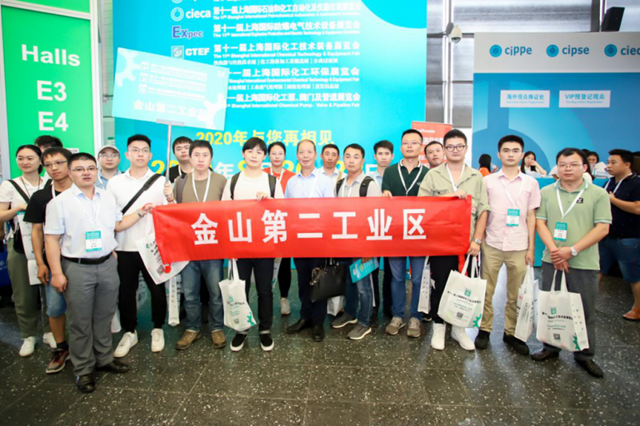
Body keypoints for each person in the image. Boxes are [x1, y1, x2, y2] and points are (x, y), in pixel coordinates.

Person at [45, 152, 151, 393]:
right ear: (70, 173)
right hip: (77, 267)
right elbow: (51, 239)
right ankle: (83, 369)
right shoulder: (59, 203)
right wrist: (57, 273)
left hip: (106, 265)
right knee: (80, 321)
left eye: (90, 168)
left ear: (96, 171)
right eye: (79, 169)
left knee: (104, 316)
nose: (86, 173)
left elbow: (118, 225)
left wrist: (141, 212)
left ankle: (104, 359)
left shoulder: (107, 197)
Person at [533, 148, 611, 378]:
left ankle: (584, 355)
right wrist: (555, 252)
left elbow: (602, 228)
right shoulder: (546, 192)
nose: (567, 169)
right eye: (563, 164)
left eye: (573, 164)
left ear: (584, 167)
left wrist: (572, 250)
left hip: (584, 262)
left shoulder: (598, 194)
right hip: (552, 260)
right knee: (551, 306)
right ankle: (550, 346)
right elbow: (540, 223)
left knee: (584, 310)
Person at [418, 129, 490, 351]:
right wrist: (447, 196)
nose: (455, 150)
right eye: (450, 147)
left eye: (459, 146)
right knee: (440, 285)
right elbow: (422, 205)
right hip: (440, 243)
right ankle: (439, 326)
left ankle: (459, 329)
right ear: (444, 150)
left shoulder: (476, 176)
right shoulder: (433, 175)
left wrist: (477, 240)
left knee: (463, 287)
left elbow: (484, 210)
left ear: (466, 148)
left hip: (467, 244)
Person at [475, 136, 540, 355]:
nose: (510, 154)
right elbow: (483, 212)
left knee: (515, 293)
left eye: (515, 150)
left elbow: (531, 216)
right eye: (506, 150)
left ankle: (511, 332)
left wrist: (531, 248)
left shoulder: (531, 183)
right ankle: (484, 328)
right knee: (487, 290)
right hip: (492, 243)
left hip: (519, 245)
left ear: (522, 154)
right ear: (499, 154)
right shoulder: (488, 181)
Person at [107, 134, 168, 357]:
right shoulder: (115, 183)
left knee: (157, 289)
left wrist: (170, 198)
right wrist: (110, 246)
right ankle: (129, 331)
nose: (140, 154)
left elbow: (169, 214)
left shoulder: (161, 181)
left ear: (150, 155)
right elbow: (109, 217)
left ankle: (158, 328)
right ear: (127, 154)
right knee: (126, 291)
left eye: (144, 150)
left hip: (152, 247)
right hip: (124, 246)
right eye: (135, 150)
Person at [164, 140, 228, 350]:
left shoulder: (220, 180)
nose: (200, 159)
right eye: (196, 155)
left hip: (213, 246)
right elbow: (175, 213)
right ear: (189, 158)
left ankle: (216, 328)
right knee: (190, 292)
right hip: (188, 247)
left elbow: (228, 211)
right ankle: (192, 328)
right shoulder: (180, 182)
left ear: (211, 158)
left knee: (215, 292)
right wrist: (169, 198)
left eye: (205, 155)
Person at [222, 137, 284, 352]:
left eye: (259, 152)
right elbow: (224, 213)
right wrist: (229, 246)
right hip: (240, 247)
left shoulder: (272, 182)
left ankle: (265, 329)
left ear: (264, 156)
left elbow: (282, 211)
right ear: (243, 154)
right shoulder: (233, 181)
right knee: (241, 289)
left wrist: (269, 201)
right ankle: (242, 329)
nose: (254, 155)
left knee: (265, 290)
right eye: (250, 151)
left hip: (264, 247)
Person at [23, 147, 74, 373]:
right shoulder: (41, 197)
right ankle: (61, 348)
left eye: (59, 163)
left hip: (83, 259)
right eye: (49, 165)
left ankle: (87, 347)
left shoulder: (85, 191)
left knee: (85, 306)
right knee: (54, 306)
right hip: (53, 260)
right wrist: (40, 262)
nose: (54, 168)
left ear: (69, 164)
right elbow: (36, 231)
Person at [0, 145, 52, 357]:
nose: (25, 162)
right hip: (20, 244)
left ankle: (50, 331)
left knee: (50, 291)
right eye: (20, 158)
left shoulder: (49, 183)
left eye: (30, 158)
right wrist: (18, 209)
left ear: (40, 160)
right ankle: (28, 335)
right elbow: (1, 215)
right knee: (23, 293)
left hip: (48, 243)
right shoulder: (9, 185)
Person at [331, 144, 381, 340]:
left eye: (356, 157)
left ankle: (364, 322)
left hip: (363, 244)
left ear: (363, 160)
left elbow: (376, 216)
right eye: (348, 156)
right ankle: (350, 313)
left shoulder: (369, 184)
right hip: (343, 242)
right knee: (348, 282)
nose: (351, 160)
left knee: (363, 285)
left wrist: (369, 247)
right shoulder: (339, 184)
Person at [285, 139, 334, 342]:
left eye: (309, 152)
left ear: (315, 155)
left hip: (319, 240)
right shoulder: (291, 182)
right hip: (299, 240)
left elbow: (331, 211)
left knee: (318, 282)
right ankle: (305, 317)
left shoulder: (324, 180)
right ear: (297, 155)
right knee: (303, 281)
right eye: (301, 152)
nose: (305, 156)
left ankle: (318, 322)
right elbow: (286, 211)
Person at [381, 129, 429, 338]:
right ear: (401, 147)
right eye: (406, 143)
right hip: (395, 233)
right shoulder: (390, 172)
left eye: (414, 143)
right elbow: (384, 200)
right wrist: (384, 195)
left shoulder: (428, 173)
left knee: (417, 279)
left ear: (421, 147)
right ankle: (397, 315)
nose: (409, 146)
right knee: (397, 277)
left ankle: (416, 317)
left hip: (419, 234)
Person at [599, 149, 640, 321]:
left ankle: (637, 309)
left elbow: (638, 208)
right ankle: (583, 304)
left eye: (613, 162)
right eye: (608, 162)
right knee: (596, 270)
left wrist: (613, 200)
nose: (608, 166)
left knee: (633, 276)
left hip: (628, 238)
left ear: (627, 164)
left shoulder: (636, 183)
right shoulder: (608, 183)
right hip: (605, 236)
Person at [264, 141, 296, 316]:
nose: (277, 157)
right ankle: (266, 297)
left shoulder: (292, 177)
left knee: (284, 264)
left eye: (280, 153)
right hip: (265, 226)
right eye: (273, 153)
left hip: (285, 227)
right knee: (265, 265)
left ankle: (284, 298)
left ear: (285, 156)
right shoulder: (261, 174)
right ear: (268, 155)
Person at [367, 140, 394, 316]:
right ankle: (373, 305)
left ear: (392, 156)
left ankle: (389, 306)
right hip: (373, 229)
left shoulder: (396, 176)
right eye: (380, 154)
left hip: (393, 229)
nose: (383, 157)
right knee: (372, 270)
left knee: (391, 271)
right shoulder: (367, 179)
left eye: (387, 154)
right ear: (375, 156)